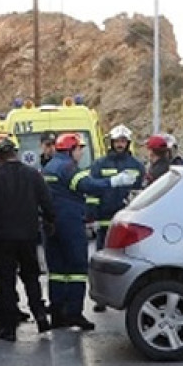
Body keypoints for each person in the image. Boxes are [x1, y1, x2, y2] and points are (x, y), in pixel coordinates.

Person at [42, 132, 136, 330]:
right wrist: (115, 181)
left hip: (51, 225)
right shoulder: (68, 167)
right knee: (77, 268)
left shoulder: (49, 166)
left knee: (57, 271)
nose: (81, 153)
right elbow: (88, 185)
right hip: (70, 224)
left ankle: (58, 314)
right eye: (79, 149)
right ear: (71, 150)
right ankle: (74, 313)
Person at [0, 136, 55, 341]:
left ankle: (10, 328)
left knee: (6, 281)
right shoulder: (33, 175)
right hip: (28, 236)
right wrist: (49, 221)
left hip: (1, 239)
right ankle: (40, 317)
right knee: (31, 277)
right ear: (16, 153)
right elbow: (47, 202)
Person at [89, 124, 145, 249]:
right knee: (103, 251)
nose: (120, 144)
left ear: (128, 143)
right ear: (112, 142)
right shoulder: (100, 164)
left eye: (123, 141)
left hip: (129, 217)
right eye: (117, 141)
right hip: (104, 217)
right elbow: (93, 192)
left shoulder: (137, 165)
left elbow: (141, 191)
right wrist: (92, 215)